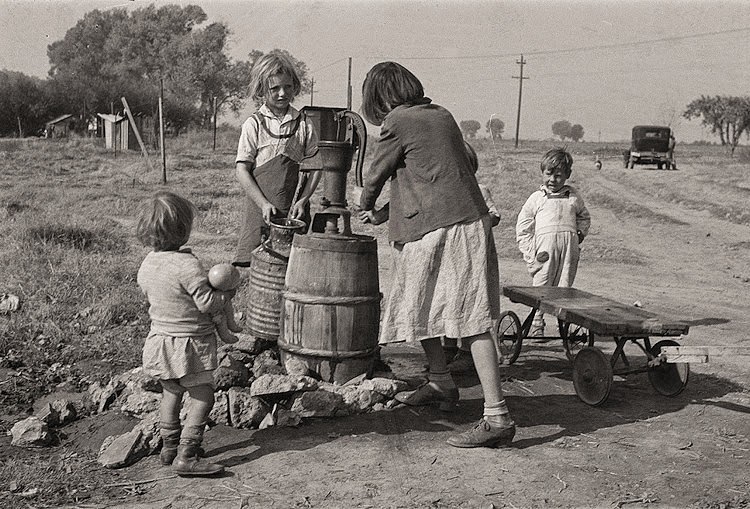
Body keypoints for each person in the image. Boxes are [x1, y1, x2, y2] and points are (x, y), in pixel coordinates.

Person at [357, 61, 515, 448]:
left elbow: (375, 174)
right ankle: (441, 382)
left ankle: (497, 416)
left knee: (470, 317)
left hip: (449, 227)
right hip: (458, 220)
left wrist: (364, 203)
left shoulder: (397, 121)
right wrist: (384, 214)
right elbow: (425, 174)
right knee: (421, 305)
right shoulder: (441, 115)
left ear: (378, 98)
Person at [136, 191, 230, 476]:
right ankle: (187, 455)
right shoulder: (188, 265)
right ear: (184, 231)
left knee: (171, 393)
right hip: (190, 344)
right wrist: (225, 295)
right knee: (203, 397)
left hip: (161, 340)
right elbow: (206, 303)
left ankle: (169, 447)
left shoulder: (148, 263)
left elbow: (149, 292)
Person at [233, 52, 320, 266]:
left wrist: (303, 200)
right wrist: (262, 203)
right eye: (275, 89)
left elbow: (317, 166)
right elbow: (242, 170)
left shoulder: (304, 124)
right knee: (259, 264)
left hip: (292, 210)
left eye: (288, 87)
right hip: (260, 208)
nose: (282, 93)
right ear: (262, 89)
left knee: (291, 265)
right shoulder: (253, 125)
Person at [516, 148, 591, 337]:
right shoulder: (536, 198)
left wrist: (579, 234)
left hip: (568, 249)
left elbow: (584, 217)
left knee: (564, 286)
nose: (553, 180)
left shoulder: (573, 197)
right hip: (544, 250)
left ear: (567, 175)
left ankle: (563, 324)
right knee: (542, 285)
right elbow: (523, 226)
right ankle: (536, 324)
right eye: (549, 174)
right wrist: (529, 250)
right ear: (542, 172)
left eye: (558, 176)